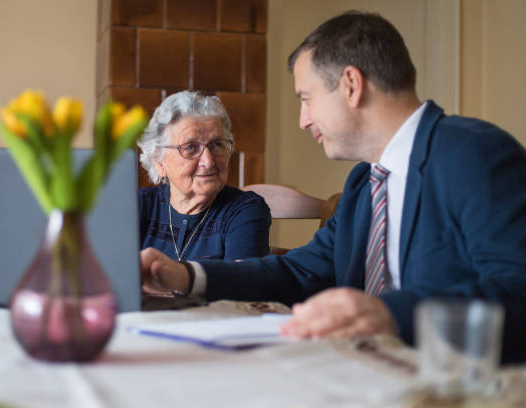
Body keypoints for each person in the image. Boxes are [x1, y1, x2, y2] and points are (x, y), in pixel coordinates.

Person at [140, 12, 526, 363]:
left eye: (306, 99)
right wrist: (186, 276)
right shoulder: (365, 181)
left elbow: (518, 292)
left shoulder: (475, 153)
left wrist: (391, 313)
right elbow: (298, 272)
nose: (303, 120)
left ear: (351, 85)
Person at [137, 90, 271, 265]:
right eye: (191, 147)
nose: (208, 161)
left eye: (217, 145)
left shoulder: (244, 211)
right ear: (159, 162)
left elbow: (241, 286)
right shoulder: (138, 206)